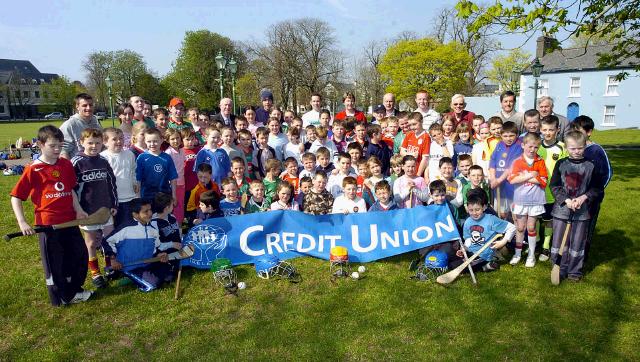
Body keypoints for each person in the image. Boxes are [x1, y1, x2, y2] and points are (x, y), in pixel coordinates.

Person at [11, 125, 92, 306]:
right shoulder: (33, 168)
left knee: (78, 255)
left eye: (60, 146)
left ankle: (74, 289)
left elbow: (70, 189)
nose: (57, 150)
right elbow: (16, 197)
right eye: (52, 146)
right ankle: (60, 296)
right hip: (48, 224)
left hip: (70, 220)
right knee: (56, 262)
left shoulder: (65, 164)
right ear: (40, 144)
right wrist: (22, 222)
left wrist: (78, 209)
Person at [550, 130, 604, 281]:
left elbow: (597, 188)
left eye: (580, 148)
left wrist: (583, 197)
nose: (576, 151)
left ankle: (575, 271)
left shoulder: (591, 166)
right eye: (572, 148)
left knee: (577, 242)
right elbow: (554, 186)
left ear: (585, 146)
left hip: (582, 212)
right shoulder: (561, 164)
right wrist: (566, 200)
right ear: (566, 148)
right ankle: (559, 267)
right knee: (560, 241)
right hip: (562, 211)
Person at [71, 128, 118, 288]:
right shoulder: (77, 162)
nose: (94, 146)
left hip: (105, 209)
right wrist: (78, 210)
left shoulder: (103, 161)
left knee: (109, 239)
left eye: (98, 143)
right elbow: (71, 189)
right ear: (82, 142)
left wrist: (113, 204)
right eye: (90, 142)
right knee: (91, 243)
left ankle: (109, 267)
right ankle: (95, 273)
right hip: (88, 211)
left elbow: (112, 184)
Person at [103, 198, 173, 292]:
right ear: (135, 214)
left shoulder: (153, 230)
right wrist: (113, 259)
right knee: (152, 285)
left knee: (170, 273)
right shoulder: (126, 229)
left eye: (150, 210)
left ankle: (143, 276)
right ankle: (127, 275)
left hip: (148, 263)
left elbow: (155, 249)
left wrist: (158, 255)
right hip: (129, 267)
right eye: (145, 211)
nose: (150, 213)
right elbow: (106, 241)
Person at [570, 116, 613, 257]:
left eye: (579, 130)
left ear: (589, 132)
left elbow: (606, 175)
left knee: (585, 231)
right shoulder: (573, 149)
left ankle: (581, 262)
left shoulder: (596, 151)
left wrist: (589, 195)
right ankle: (569, 258)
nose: (575, 133)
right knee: (572, 230)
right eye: (573, 129)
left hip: (590, 202)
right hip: (573, 200)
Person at [507, 132, 548, 267]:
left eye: (535, 147)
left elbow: (543, 181)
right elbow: (512, 180)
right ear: (523, 145)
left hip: (535, 200)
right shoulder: (517, 161)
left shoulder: (540, 161)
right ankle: (517, 254)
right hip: (520, 200)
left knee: (531, 227)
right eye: (530, 146)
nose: (532, 150)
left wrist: (524, 176)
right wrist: (531, 175)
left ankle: (531, 255)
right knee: (520, 227)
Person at [537, 115, 568, 261]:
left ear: (557, 130)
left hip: (552, 192)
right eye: (544, 129)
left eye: (551, 130)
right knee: (536, 218)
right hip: (536, 190)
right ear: (540, 130)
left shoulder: (562, 147)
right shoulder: (536, 146)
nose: (547, 133)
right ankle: (536, 242)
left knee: (549, 220)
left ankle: (546, 246)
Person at [461, 192, 516, 272]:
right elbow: (468, 239)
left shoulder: (491, 219)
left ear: (483, 207)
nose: (474, 213)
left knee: (465, 268)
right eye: (471, 210)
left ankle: (487, 264)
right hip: (472, 252)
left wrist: (503, 241)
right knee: (453, 264)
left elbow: (512, 228)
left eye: (477, 210)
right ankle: (486, 267)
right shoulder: (467, 222)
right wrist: (464, 249)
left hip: (485, 254)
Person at [101, 128, 139, 228]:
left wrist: (135, 182)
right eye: (114, 139)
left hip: (129, 197)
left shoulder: (129, 154)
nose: (119, 141)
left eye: (121, 138)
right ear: (105, 142)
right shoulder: (103, 157)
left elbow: (133, 170)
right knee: (113, 228)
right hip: (113, 200)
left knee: (128, 226)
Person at [489, 121, 522, 220]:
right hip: (499, 186)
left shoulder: (519, 146)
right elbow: (492, 161)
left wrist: (498, 180)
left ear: (516, 135)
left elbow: (512, 166)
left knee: (515, 215)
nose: (508, 138)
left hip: (512, 186)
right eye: (505, 136)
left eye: (511, 135)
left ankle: (517, 234)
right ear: (501, 135)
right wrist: (493, 178)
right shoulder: (499, 144)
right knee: (501, 213)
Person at [136, 128, 178, 202]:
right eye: (149, 141)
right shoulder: (142, 158)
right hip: (146, 196)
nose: (152, 144)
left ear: (161, 140)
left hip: (164, 195)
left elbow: (173, 178)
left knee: (164, 213)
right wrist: (138, 196)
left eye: (155, 141)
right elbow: (138, 179)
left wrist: (174, 195)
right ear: (145, 141)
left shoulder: (167, 158)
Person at [60, 93, 102, 159]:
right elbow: (63, 151)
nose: (88, 108)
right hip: (78, 166)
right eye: (84, 105)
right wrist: (70, 168)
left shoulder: (96, 122)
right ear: (77, 106)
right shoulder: (69, 125)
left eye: (90, 105)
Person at [151, 193, 182, 272]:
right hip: (165, 253)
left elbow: (177, 233)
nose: (173, 206)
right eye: (172, 205)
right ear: (166, 208)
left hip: (179, 248)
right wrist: (172, 244)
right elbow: (155, 246)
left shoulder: (172, 217)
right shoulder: (154, 223)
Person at [163, 128, 186, 225]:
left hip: (182, 182)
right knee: (175, 206)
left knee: (180, 205)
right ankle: (176, 226)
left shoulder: (182, 150)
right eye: (172, 139)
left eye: (177, 138)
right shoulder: (168, 153)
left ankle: (179, 225)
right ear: (168, 140)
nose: (176, 141)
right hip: (173, 184)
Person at [401, 112, 431, 177]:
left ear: (421, 121)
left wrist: (418, 175)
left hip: (417, 172)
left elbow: (425, 159)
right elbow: (402, 151)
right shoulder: (409, 134)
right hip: (407, 172)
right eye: (410, 125)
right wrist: (410, 154)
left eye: (414, 124)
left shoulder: (426, 137)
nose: (412, 127)